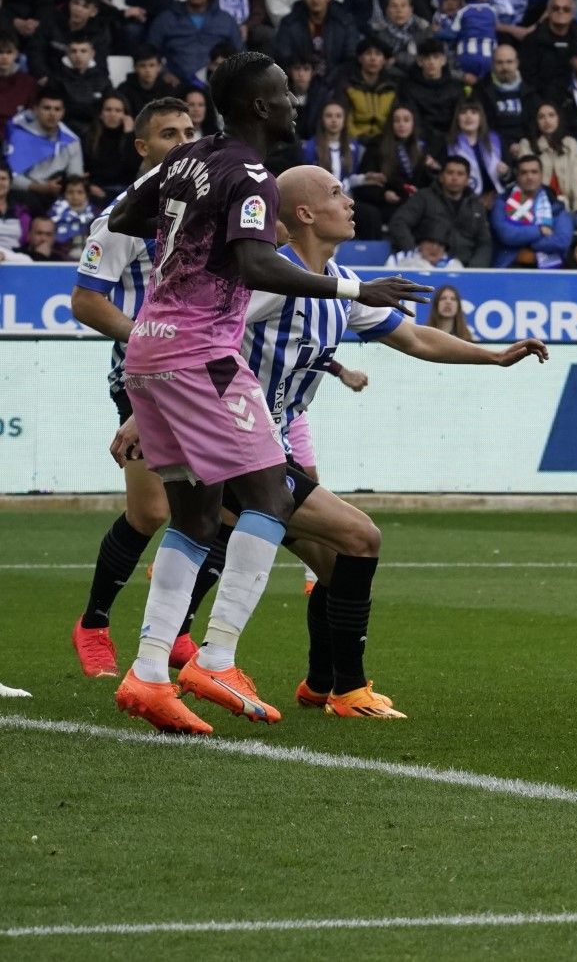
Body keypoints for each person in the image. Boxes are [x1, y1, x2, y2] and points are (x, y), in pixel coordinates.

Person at [102, 52, 427, 734]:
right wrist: (353, 286)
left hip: (148, 349)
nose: (292, 97)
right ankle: (216, 654)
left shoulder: (187, 158)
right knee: (270, 494)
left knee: (195, 515)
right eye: (281, 91)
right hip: (201, 353)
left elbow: (130, 214)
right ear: (257, 106)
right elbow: (253, 261)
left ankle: (150, 671)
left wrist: (187, 237)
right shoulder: (249, 170)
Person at [68, 97, 200, 680]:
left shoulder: (207, 207)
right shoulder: (123, 216)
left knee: (214, 510)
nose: (183, 139)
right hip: (144, 377)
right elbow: (86, 300)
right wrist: (148, 337)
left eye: (191, 130)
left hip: (204, 375)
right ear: (143, 147)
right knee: (149, 513)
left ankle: (177, 633)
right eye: (169, 133)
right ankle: (94, 623)